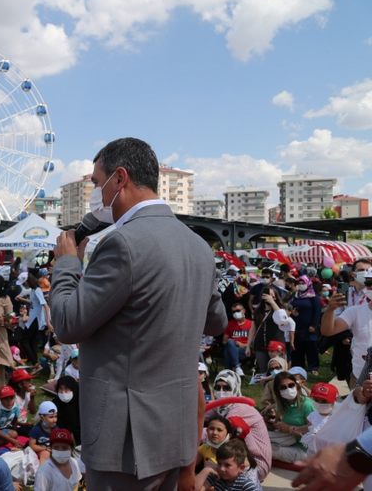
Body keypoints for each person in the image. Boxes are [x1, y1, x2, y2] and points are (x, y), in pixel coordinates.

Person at [51, 137, 227, 490]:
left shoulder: (122, 243)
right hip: (175, 434)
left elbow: (68, 324)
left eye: (99, 184)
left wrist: (68, 264)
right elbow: (217, 321)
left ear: (120, 179)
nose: (98, 195)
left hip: (126, 442)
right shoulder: (197, 246)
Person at [321, 268, 372, 387]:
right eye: (368, 283)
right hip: (360, 377)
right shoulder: (355, 312)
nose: (370, 287)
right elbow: (328, 331)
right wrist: (330, 310)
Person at [289, 275, 321, 375]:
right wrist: (292, 313)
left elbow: (317, 311)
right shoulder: (296, 296)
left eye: (303, 283)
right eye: (299, 283)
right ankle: (298, 366)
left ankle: (313, 367)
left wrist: (314, 325)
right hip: (297, 325)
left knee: (311, 347)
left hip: (309, 327)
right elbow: (291, 307)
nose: (301, 285)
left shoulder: (313, 297)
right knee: (298, 347)